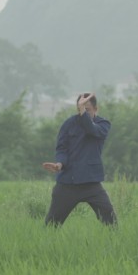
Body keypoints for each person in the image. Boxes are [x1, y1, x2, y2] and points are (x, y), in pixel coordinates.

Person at [42, 92, 117, 226]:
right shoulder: (69, 124)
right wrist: (59, 164)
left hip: (91, 183)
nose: (82, 112)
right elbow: (62, 148)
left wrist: (83, 114)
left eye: (86, 109)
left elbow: (92, 130)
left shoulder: (103, 124)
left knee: (110, 221)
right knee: (51, 225)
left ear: (96, 109)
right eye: (79, 108)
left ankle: (117, 245)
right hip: (68, 182)